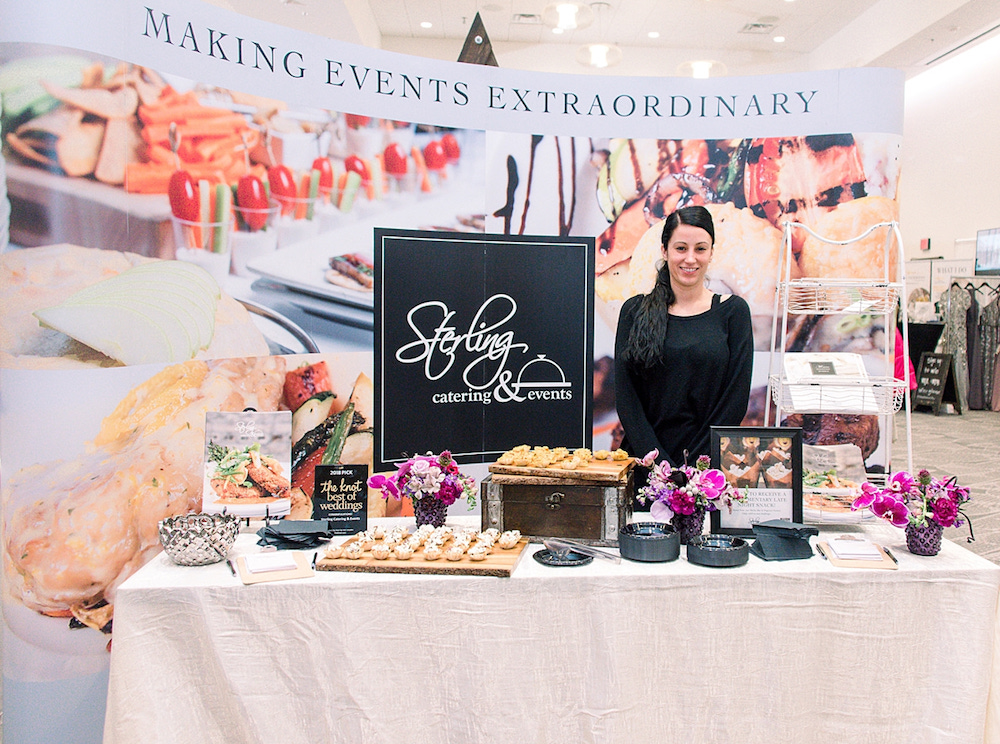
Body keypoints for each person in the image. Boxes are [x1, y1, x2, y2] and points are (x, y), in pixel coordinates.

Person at [614, 205, 753, 476]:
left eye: (700, 249)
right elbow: (627, 400)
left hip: (707, 474)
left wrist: (692, 469)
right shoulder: (634, 312)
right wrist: (661, 467)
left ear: (711, 252)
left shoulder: (733, 312)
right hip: (645, 468)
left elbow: (734, 402)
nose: (690, 259)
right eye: (681, 248)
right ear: (664, 251)